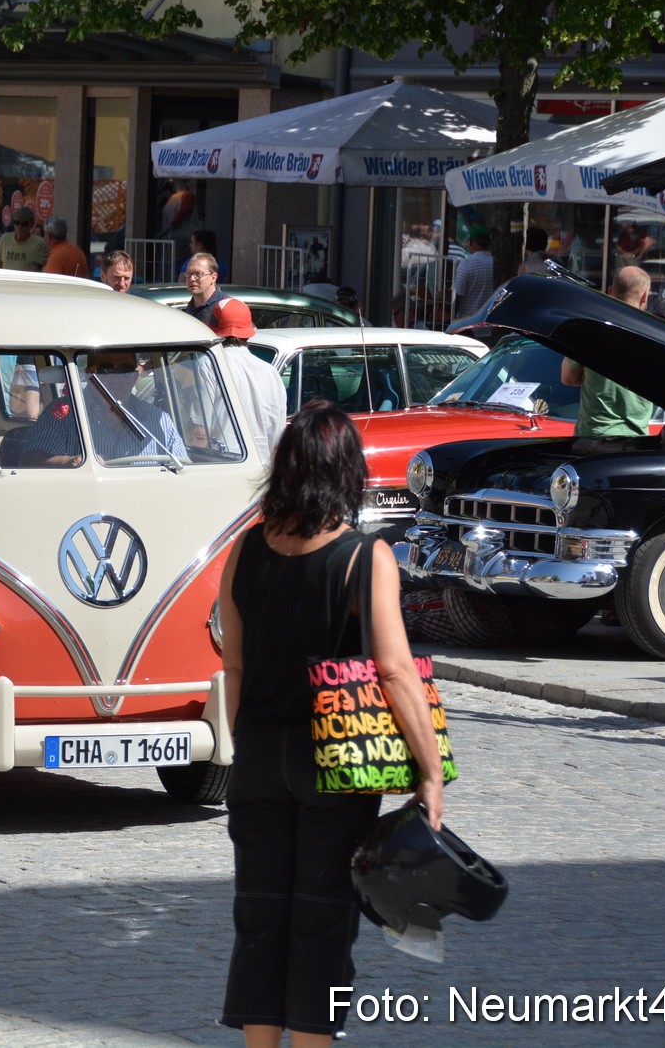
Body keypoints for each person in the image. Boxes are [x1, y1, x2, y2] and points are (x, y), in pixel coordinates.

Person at [215, 401, 444, 1043]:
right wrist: (430, 772)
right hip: (335, 763)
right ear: (348, 471)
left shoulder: (242, 550)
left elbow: (232, 667)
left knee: (260, 918)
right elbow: (395, 672)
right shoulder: (364, 557)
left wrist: (245, 747)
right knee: (322, 921)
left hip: (260, 755)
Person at [21, 351, 188, 467]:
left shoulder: (159, 419)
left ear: (135, 376)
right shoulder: (63, 412)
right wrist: (70, 462)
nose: (116, 378)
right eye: (105, 370)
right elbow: (31, 461)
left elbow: (184, 468)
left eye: (125, 371)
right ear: (89, 374)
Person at [560, 266, 658, 440]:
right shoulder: (657, 338)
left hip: (592, 438)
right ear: (645, 295)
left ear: (610, 291)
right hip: (635, 441)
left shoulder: (591, 331)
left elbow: (567, 378)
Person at [182, 253, 255, 341]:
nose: (192, 279)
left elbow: (249, 337)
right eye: (188, 274)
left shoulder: (226, 306)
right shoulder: (189, 307)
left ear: (213, 277)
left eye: (198, 274)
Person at [449, 227, 495, 325]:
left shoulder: (466, 263)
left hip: (468, 324)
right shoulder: (497, 264)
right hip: (490, 325)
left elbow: (458, 295)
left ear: (471, 242)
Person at [0, 206, 49, 272]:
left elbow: (51, 265)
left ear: (32, 225)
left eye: (24, 224)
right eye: (17, 222)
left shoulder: (40, 244)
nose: (20, 226)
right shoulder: (5, 239)